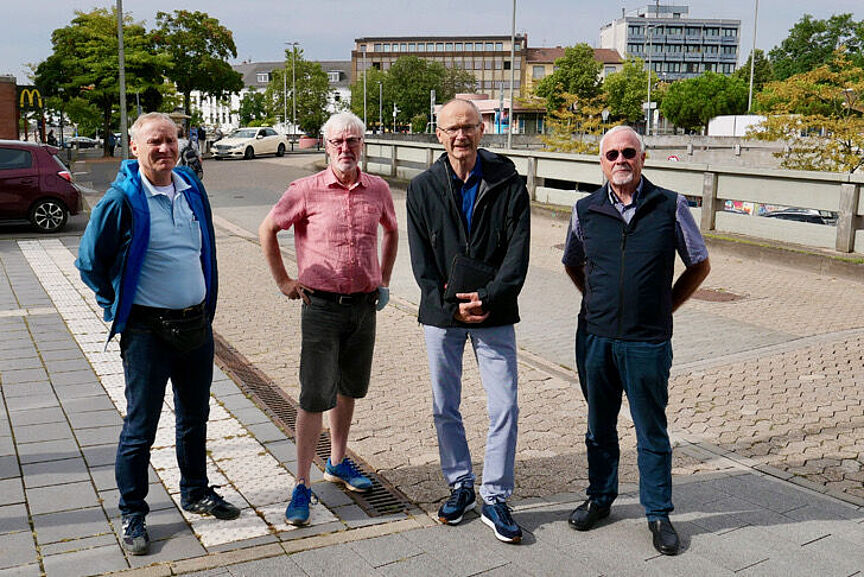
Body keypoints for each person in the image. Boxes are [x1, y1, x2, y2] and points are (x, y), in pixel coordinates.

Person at [76, 112, 240, 556]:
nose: (164, 148)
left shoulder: (191, 187)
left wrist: (207, 306)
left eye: (170, 140)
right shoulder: (122, 200)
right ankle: (133, 513)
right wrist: (115, 303)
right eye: (154, 142)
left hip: (195, 325)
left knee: (195, 416)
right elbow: (89, 262)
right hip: (147, 331)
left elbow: (205, 247)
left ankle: (196, 491)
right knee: (140, 427)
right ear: (135, 148)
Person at [562, 125, 711, 556]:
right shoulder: (585, 209)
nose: (620, 160)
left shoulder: (670, 206)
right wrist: (596, 301)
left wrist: (666, 307)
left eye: (629, 152)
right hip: (595, 338)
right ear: (602, 162)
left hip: (647, 342)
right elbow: (572, 263)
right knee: (599, 426)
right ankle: (600, 498)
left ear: (643, 158)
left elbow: (698, 264)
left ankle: (659, 513)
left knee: (651, 429)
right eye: (612, 155)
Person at [259, 111, 398, 526]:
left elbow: (392, 230)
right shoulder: (305, 190)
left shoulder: (378, 189)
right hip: (319, 307)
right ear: (325, 145)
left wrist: (384, 279)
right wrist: (284, 280)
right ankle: (301, 483)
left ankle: (337, 461)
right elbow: (268, 229)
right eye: (337, 142)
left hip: (363, 307)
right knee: (313, 395)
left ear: (362, 145)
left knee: (348, 388)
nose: (345, 149)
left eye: (352, 141)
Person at [406, 99, 530, 544]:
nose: (461, 136)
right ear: (439, 135)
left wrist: (491, 297)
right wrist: (449, 304)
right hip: (443, 314)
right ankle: (461, 484)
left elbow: (518, 256)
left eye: (469, 127)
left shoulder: (508, 182)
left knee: (506, 405)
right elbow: (421, 263)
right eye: (452, 129)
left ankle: (495, 496)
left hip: (495, 312)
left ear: (483, 130)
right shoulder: (421, 189)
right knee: (445, 405)